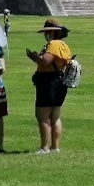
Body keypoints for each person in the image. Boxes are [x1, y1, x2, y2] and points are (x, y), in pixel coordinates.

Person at [26, 19, 72, 154]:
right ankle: (54, 147)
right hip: (59, 80)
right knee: (55, 116)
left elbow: (46, 61)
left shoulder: (53, 44)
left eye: (47, 32)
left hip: (48, 82)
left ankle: (45, 147)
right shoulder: (63, 45)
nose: (45, 35)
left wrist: (35, 57)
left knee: (43, 115)